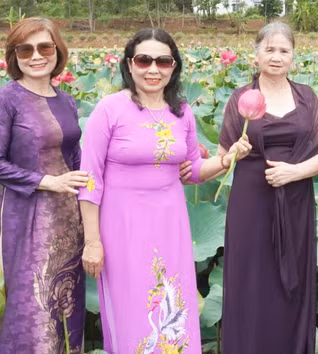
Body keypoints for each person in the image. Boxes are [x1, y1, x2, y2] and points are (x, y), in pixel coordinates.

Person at [78, 28, 251, 354]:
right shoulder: (109, 109)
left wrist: (227, 159)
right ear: (130, 65)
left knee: (173, 308)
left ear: (174, 67)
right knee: (132, 312)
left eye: (163, 61)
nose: (153, 69)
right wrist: (92, 241)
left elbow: (192, 171)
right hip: (122, 228)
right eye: (144, 60)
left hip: (170, 226)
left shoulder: (181, 112)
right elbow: (90, 179)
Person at [219, 22, 318, 354]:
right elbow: (223, 155)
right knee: (251, 283)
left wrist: (294, 172)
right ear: (256, 55)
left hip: (295, 199)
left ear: (293, 58)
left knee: (291, 286)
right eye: (269, 49)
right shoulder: (241, 98)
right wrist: (233, 154)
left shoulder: (306, 97)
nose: (276, 56)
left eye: (283, 50)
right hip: (250, 202)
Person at [0, 17, 87, 353]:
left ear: (58, 50)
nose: (36, 55)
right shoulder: (6, 99)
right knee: (31, 308)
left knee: (66, 303)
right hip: (26, 216)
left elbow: (77, 160)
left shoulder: (66, 100)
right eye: (25, 49)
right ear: (15, 56)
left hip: (69, 220)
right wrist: (46, 182)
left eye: (44, 47)